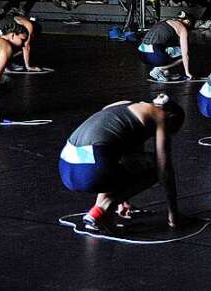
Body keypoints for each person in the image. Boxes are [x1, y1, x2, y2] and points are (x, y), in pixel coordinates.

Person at [58, 94, 184, 233]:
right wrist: (173, 215)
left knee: (117, 157)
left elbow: (110, 140)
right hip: (91, 172)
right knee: (156, 167)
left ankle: (100, 214)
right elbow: (164, 169)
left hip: (66, 168)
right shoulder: (161, 115)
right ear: (171, 117)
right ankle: (103, 209)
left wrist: (123, 199)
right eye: (172, 130)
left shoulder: (123, 105)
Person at [136, 13, 194, 82]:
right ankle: (159, 70)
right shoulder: (182, 28)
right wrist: (187, 73)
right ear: (188, 22)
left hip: (141, 54)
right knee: (182, 53)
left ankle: (165, 73)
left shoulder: (166, 21)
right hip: (153, 55)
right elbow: (185, 54)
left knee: (168, 48)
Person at [0, 6, 40, 72]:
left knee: (18, 44)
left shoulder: (19, 23)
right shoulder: (29, 26)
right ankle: (4, 64)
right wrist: (28, 66)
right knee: (20, 44)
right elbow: (26, 47)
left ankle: (5, 63)